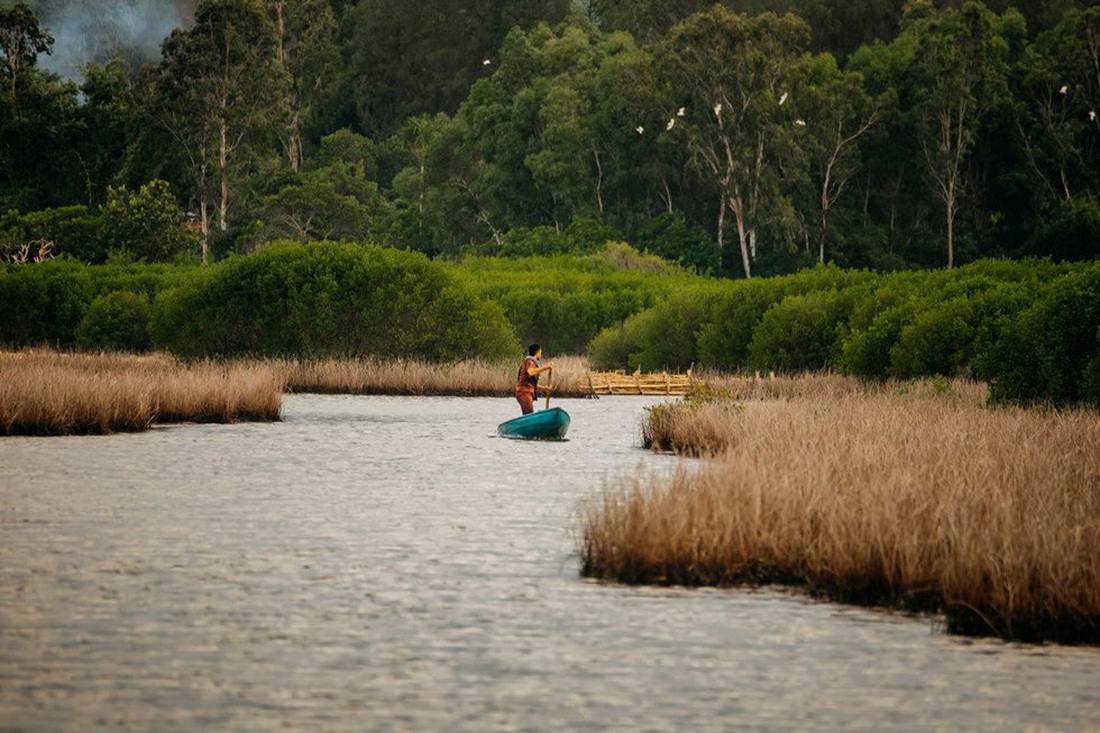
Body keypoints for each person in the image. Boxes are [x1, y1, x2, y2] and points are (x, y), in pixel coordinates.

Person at [515, 343, 553, 415]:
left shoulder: (533, 364)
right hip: (524, 393)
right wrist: (546, 367)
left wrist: (545, 388)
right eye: (540, 352)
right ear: (537, 352)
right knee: (529, 414)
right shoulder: (529, 361)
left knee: (528, 414)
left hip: (527, 393)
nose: (541, 354)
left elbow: (532, 384)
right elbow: (531, 372)